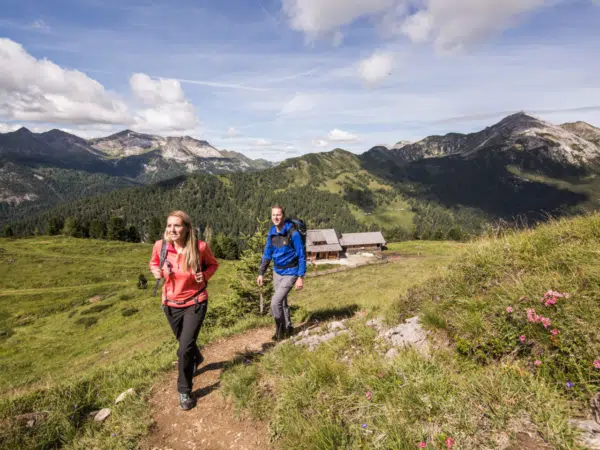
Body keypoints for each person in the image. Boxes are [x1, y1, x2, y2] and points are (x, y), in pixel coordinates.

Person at [149, 210, 219, 411]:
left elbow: (214, 265)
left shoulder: (200, 247)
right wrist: (155, 270)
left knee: (184, 348)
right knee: (185, 344)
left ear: (187, 228)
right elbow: (154, 263)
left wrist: (204, 276)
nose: (172, 230)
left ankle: (184, 390)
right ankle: (197, 358)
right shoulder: (160, 247)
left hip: (195, 302)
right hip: (170, 305)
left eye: (177, 225)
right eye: (169, 225)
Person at [257, 205, 306, 340]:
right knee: (282, 302)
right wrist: (261, 272)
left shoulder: (293, 233)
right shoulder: (272, 232)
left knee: (275, 302)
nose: (276, 218)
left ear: (283, 216)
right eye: (273, 215)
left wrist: (300, 276)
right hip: (277, 272)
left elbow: (301, 255)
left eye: (278, 215)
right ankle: (288, 327)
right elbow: (268, 253)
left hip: (291, 273)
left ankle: (280, 331)